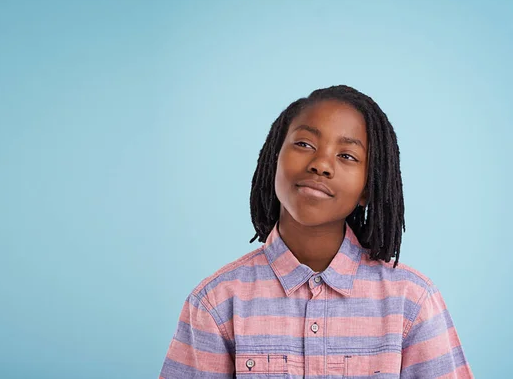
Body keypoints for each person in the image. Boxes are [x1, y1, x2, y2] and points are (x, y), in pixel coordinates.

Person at [159, 84, 473, 378]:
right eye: (305, 144)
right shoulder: (215, 303)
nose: (321, 164)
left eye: (347, 156)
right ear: (273, 159)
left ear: (368, 186)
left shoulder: (413, 302)